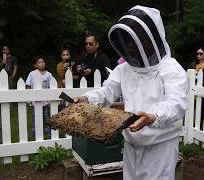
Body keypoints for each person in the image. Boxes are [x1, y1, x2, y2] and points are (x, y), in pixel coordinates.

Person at [74, 5, 188, 180]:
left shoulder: (172, 69)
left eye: (140, 37)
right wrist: (87, 98)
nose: (133, 44)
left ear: (153, 38)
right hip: (131, 143)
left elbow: (176, 104)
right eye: (132, 38)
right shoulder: (124, 69)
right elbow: (107, 91)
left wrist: (154, 116)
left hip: (160, 146)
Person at [26, 56, 53, 137]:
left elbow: (52, 87)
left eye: (43, 61)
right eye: (39, 62)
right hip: (35, 101)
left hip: (46, 101)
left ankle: (47, 132)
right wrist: (28, 99)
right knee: (35, 117)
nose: (42, 63)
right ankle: (34, 132)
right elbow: (28, 86)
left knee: (46, 117)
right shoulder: (32, 74)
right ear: (35, 65)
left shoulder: (48, 74)